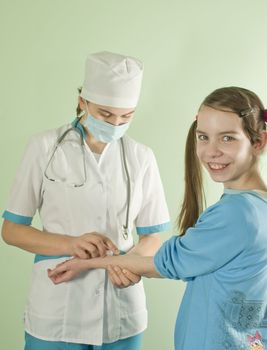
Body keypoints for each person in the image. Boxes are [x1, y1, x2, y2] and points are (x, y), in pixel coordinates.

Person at [49, 86, 267, 350]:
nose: (211, 151)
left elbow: (168, 263)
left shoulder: (237, 213)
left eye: (228, 138)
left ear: (258, 142)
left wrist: (85, 264)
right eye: (203, 137)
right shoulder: (259, 206)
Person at [1, 51, 170, 350]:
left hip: (122, 309)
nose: (116, 123)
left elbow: (153, 234)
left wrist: (129, 264)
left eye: (126, 116)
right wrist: (71, 244)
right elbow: (12, 230)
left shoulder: (141, 157)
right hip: (58, 309)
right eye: (106, 114)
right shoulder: (44, 148)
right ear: (83, 101)